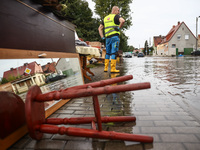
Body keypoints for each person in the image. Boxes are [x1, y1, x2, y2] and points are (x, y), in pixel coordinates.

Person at [98, 6, 125, 73]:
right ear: (115, 10)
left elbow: (100, 28)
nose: (119, 12)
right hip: (115, 37)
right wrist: (119, 28)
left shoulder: (105, 18)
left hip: (107, 38)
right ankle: (113, 69)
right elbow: (123, 21)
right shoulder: (116, 16)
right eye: (118, 10)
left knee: (107, 53)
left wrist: (102, 36)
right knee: (114, 52)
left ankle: (106, 68)